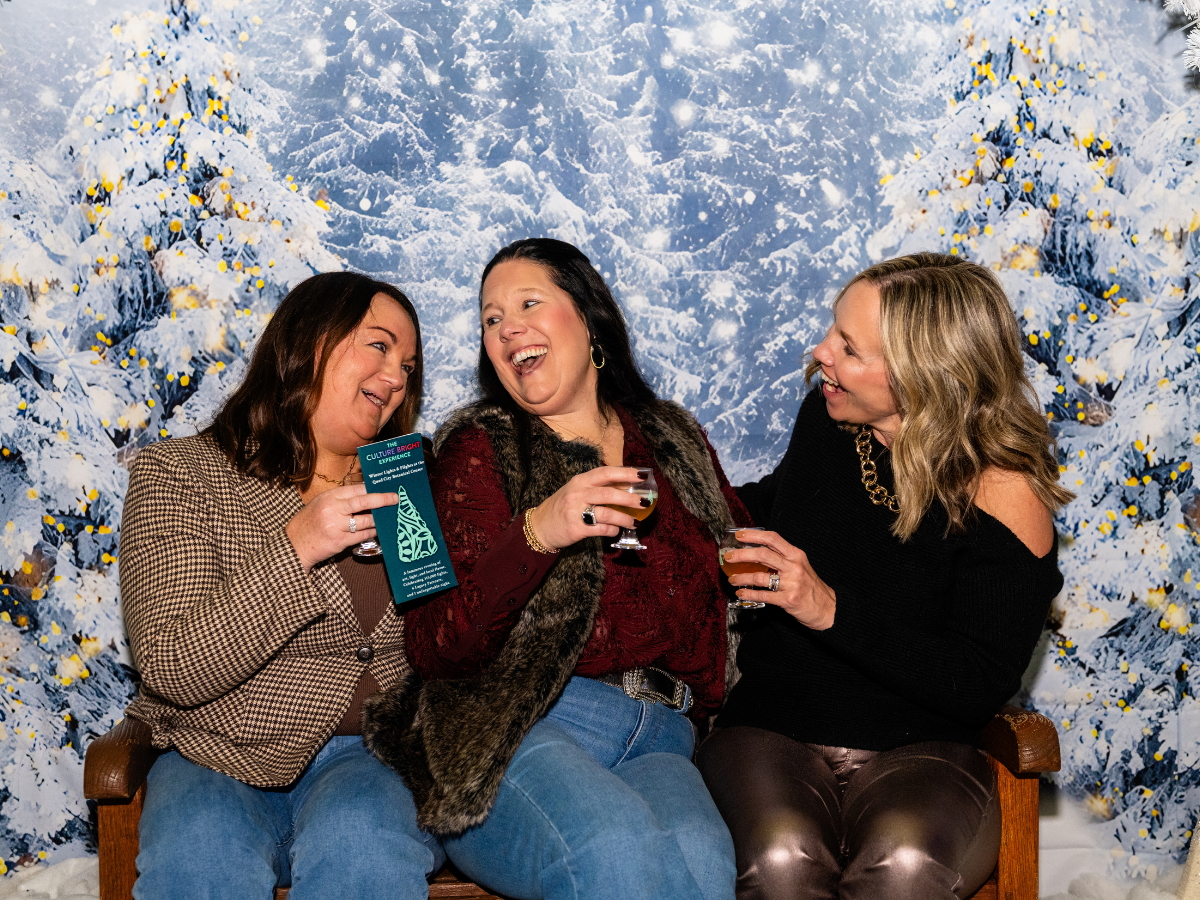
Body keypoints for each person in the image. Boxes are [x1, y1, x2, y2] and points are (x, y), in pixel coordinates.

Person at [363, 238, 744, 900]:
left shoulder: (672, 439)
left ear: (589, 318)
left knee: (705, 871)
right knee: (615, 847)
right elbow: (432, 647)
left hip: (663, 733)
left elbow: (742, 564)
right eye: (489, 318)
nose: (506, 327)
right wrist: (538, 532)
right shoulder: (475, 450)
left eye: (528, 302)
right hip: (523, 725)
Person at [697, 252, 1072, 900]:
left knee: (905, 862)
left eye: (848, 346)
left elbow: (975, 682)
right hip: (770, 732)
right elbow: (773, 503)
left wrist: (830, 610)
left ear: (923, 375)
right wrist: (687, 508)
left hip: (924, 751)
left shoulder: (1006, 493)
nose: (821, 354)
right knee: (782, 855)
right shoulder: (830, 419)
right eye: (831, 332)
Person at [119, 272, 445, 899]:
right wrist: (297, 549)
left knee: (363, 842)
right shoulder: (183, 475)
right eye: (379, 346)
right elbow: (171, 663)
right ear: (310, 341)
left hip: (371, 757)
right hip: (218, 752)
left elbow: (446, 648)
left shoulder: (408, 487)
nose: (398, 375)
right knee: (200, 853)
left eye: (409, 364)